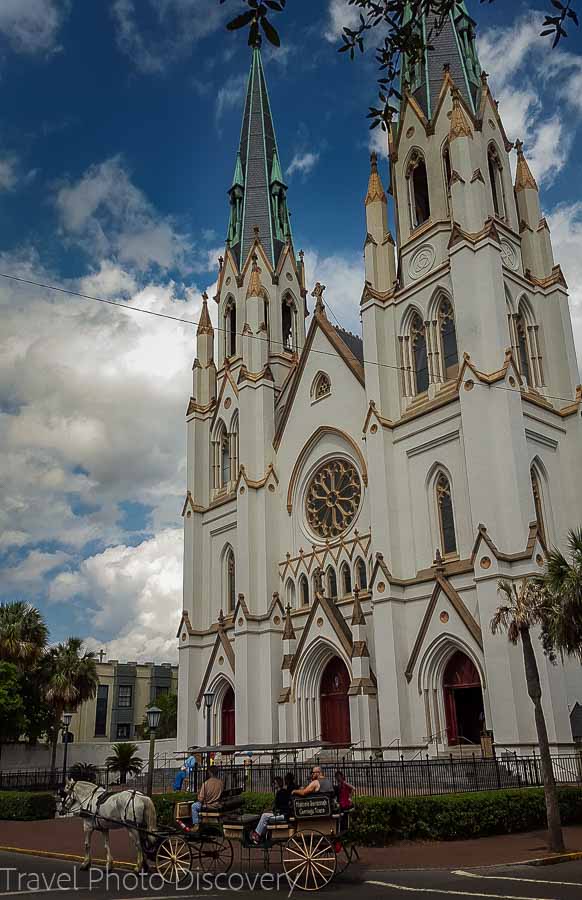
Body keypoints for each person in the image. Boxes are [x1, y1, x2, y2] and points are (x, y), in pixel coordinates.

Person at [249, 773, 295, 844]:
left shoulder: (281, 793)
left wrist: (271, 811)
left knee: (264, 816)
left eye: (274, 783)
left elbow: (279, 807)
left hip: (283, 816)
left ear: (278, 783)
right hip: (283, 814)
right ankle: (261, 835)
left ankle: (257, 835)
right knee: (264, 816)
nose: (273, 785)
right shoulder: (282, 792)